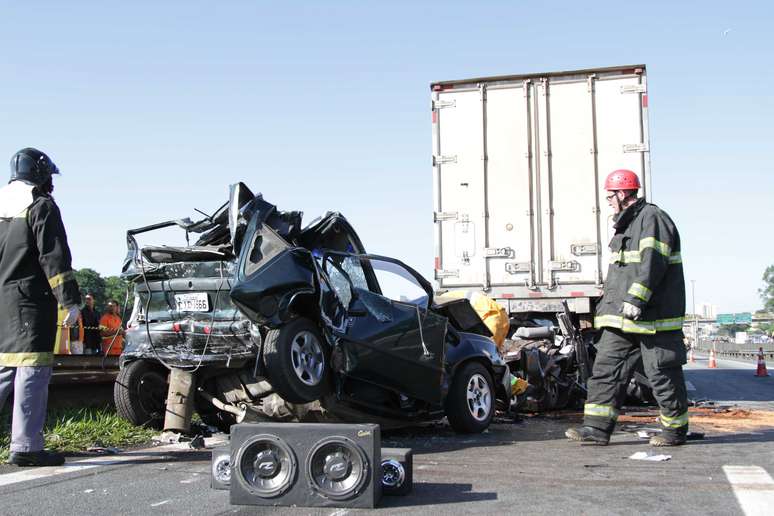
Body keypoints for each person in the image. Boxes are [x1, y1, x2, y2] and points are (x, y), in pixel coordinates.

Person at [566, 169, 688, 447]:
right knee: (606, 370)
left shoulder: (652, 219)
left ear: (623, 194)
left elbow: (652, 263)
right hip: (622, 319)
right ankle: (596, 429)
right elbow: (625, 272)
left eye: (610, 196)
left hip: (653, 318)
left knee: (662, 374)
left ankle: (674, 431)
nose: (608, 201)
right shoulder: (627, 225)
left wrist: (636, 299)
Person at [0, 148, 81, 466]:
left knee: (5, 370)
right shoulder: (40, 205)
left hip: (2, 303)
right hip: (29, 304)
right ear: (39, 174)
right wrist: (70, 301)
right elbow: (54, 257)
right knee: (32, 371)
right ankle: (27, 446)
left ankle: (25, 443)